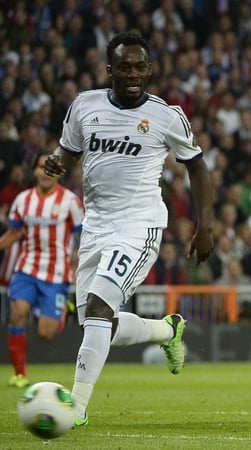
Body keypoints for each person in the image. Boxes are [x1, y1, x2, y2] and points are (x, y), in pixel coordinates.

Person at [44, 32, 214, 426]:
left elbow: (198, 166)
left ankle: (76, 408)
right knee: (96, 324)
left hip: (140, 226)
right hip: (96, 227)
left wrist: (205, 226)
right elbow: (67, 152)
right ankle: (166, 330)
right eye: (124, 67)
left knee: (102, 307)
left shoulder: (167, 115)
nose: (133, 73)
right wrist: (56, 162)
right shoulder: (84, 106)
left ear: (150, 69)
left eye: (140, 66)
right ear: (110, 70)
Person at [1, 152, 84, 388]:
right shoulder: (22, 200)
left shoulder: (71, 202)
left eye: (52, 168)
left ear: (60, 172)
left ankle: (64, 311)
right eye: (41, 167)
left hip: (56, 271)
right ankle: (19, 374)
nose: (46, 172)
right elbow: (15, 233)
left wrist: (79, 261)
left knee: (46, 334)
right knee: (17, 313)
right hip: (26, 267)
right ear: (35, 171)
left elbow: (83, 235)